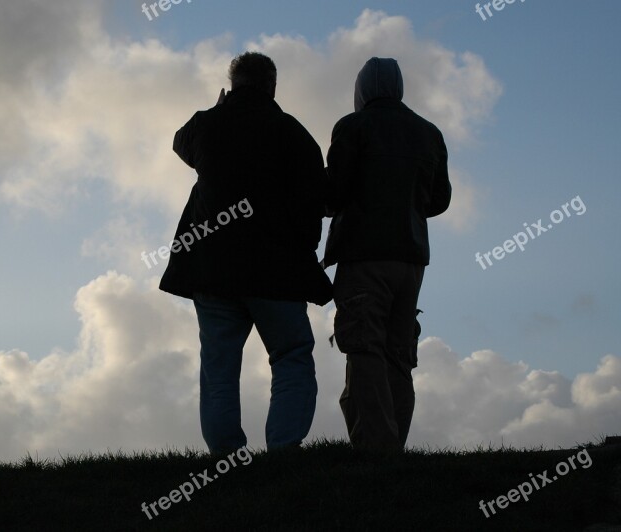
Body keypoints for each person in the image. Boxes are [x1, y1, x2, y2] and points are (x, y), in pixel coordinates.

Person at [159, 52, 332, 454]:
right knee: (291, 357)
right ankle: (284, 449)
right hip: (277, 271)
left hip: (212, 269)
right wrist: (305, 249)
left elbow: (180, 140)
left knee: (219, 368)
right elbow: (315, 201)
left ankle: (225, 456)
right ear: (272, 85)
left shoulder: (208, 125)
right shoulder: (292, 132)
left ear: (233, 85)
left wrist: (218, 108)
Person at [323, 57, 451, 451]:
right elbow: (440, 200)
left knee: (364, 346)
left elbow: (331, 195)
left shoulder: (353, 127)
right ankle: (393, 445)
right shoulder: (429, 132)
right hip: (412, 259)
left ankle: (376, 448)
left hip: (363, 257)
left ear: (361, 91)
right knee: (398, 352)